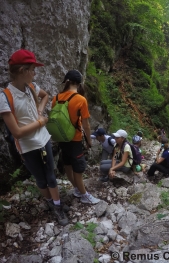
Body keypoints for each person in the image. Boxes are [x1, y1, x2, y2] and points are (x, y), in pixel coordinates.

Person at [0, 49, 68, 225]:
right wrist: (41, 122)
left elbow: (45, 96)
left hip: (43, 139)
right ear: (22, 70)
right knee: (40, 178)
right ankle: (51, 203)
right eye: (32, 69)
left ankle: (58, 207)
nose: (35, 73)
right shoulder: (5, 97)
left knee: (50, 175)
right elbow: (16, 132)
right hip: (28, 145)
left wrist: (39, 111)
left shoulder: (31, 87)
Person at [52, 70, 100, 204]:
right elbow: (86, 125)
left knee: (67, 164)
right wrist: (89, 141)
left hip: (61, 137)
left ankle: (76, 189)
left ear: (66, 82)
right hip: (75, 139)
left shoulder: (56, 98)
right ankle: (84, 195)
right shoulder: (80, 99)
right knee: (78, 168)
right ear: (79, 84)